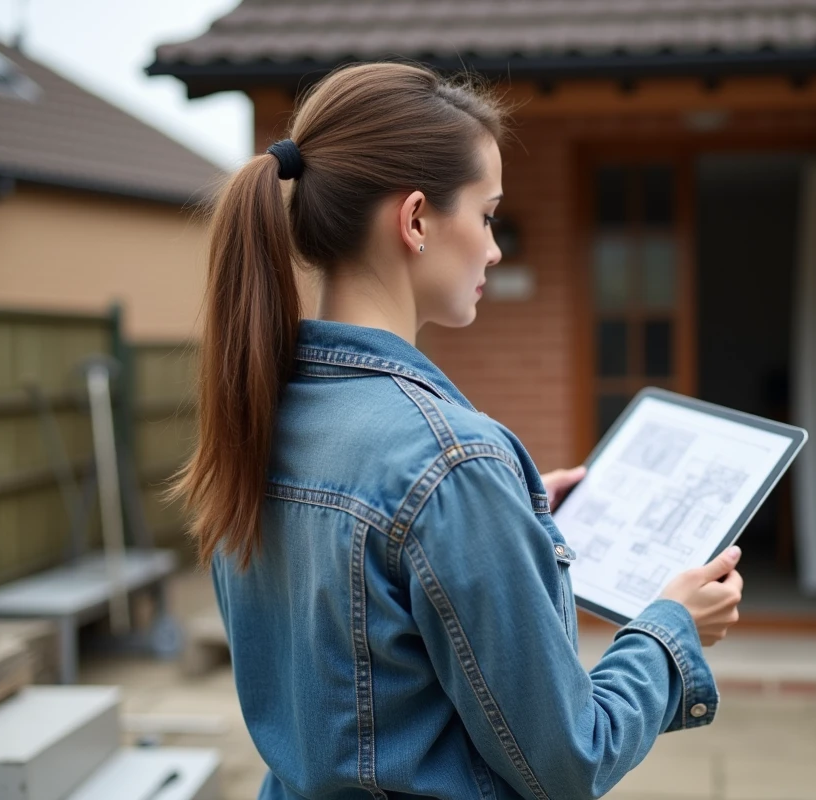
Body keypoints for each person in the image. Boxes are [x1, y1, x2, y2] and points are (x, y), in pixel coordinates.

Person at [171, 61, 744, 800]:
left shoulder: (257, 417)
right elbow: (572, 758)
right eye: (488, 214)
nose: (495, 248)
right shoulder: (450, 462)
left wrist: (506, 516)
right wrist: (671, 630)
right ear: (415, 220)